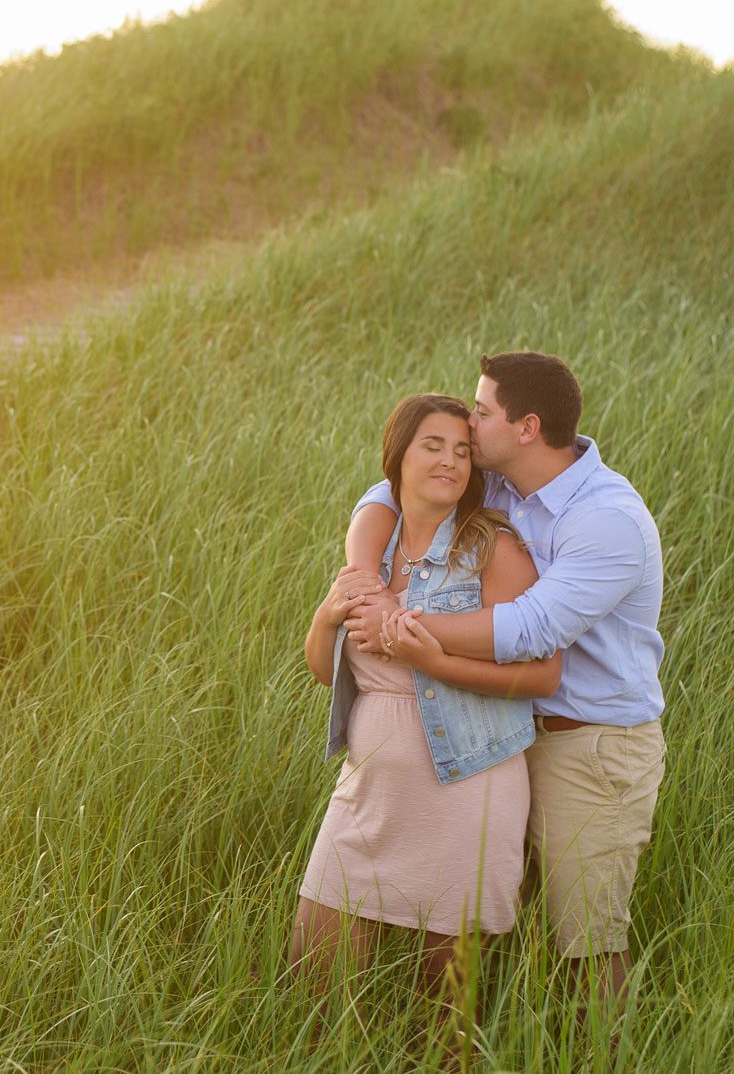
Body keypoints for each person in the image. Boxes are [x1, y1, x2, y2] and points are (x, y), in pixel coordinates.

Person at [340, 351, 666, 1008]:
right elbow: (389, 489)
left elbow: (532, 629)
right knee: (476, 921)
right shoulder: (506, 483)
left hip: (589, 746)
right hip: (501, 732)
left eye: (482, 411)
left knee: (587, 939)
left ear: (526, 427)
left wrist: (402, 625)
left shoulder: (606, 518)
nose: (470, 418)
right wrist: (364, 578)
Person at [288, 393, 561, 1020]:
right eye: (432, 446)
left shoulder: (492, 549)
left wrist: (429, 657)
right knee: (315, 973)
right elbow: (324, 671)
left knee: (444, 1010)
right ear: (397, 458)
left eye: (463, 451)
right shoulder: (375, 553)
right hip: (370, 787)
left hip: (467, 786)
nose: (450, 461)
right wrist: (326, 616)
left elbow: (543, 674)